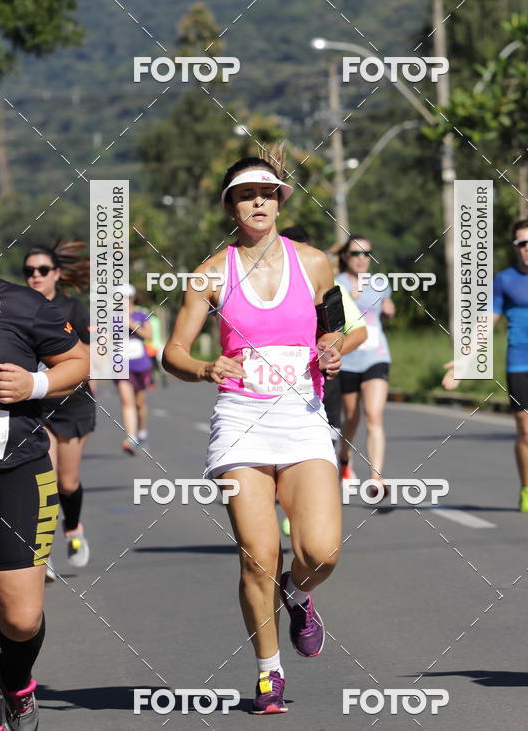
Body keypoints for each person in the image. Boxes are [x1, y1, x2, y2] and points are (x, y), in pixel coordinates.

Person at [163, 151, 343, 715]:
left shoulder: (315, 263)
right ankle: (269, 673)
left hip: (303, 418)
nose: (258, 201)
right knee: (258, 556)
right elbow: (173, 352)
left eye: (267, 192)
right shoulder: (210, 273)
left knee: (322, 551)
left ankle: (299, 592)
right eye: (246, 194)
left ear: (281, 200)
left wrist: (331, 349)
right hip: (241, 420)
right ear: (231, 205)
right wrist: (205, 368)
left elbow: (334, 328)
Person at [0, 222, 89, 731]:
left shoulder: (22, 307)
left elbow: (79, 360)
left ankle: (17, 683)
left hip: (13, 469)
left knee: (21, 617)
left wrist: (36, 382)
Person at [443, 218, 528, 513]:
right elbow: (486, 323)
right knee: (526, 432)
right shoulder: (504, 280)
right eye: (522, 243)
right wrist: (465, 361)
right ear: (516, 247)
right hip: (520, 367)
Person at [281, 226, 367, 533]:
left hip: (320, 383)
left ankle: (307, 512)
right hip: (273, 386)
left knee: (322, 446)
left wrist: (331, 352)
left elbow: (357, 331)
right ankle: (293, 505)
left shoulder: (330, 289)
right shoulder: (264, 284)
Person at [23, 241, 95, 571]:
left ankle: (74, 528)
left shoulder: (74, 310)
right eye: (29, 272)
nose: (35, 277)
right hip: (36, 405)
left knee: (68, 482)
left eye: (42, 270)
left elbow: (95, 357)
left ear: (57, 274)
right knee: (45, 481)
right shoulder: (20, 307)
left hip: (73, 404)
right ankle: (44, 551)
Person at [335, 235, 394, 493]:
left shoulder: (381, 283)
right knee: (351, 418)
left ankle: (376, 478)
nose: (362, 259)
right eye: (356, 254)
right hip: (348, 359)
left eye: (366, 254)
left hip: (376, 356)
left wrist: (390, 311)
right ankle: (344, 457)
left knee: (374, 414)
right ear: (346, 256)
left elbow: (385, 313)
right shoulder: (335, 284)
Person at [115, 284, 153, 453]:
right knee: (127, 400)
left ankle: (142, 432)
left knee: (139, 402)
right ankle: (130, 438)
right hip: (121, 364)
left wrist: (131, 324)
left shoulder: (141, 315)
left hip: (140, 363)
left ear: (132, 298)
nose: (123, 301)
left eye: (127, 298)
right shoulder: (112, 317)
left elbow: (149, 335)